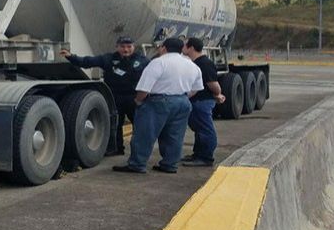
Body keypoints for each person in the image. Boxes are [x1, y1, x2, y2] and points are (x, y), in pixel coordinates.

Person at [113, 37, 202, 174]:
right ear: (181, 49)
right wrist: (180, 97)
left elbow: (144, 88)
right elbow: (196, 88)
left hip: (158, 102)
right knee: (175, 136)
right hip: (182, 101)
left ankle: (137, 164)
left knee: (145, 134)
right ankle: (170, 165)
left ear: (164, 48)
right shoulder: (192, 65)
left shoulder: (158, 63)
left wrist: (138, 101)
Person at [59, 36, 149, 156]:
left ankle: (140, 152)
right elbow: (87, 62)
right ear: (117, 47)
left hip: (134, 98)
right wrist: (71, 57)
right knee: (115, 124)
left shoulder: (142, 61)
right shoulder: (108, 59)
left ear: (134, 47)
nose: (126, 49)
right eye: (122, 46)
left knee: (140, 125)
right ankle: (116, 148)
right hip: (115, 97)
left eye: (129, 46)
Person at [181, 37, 226, 167]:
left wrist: (217, 94)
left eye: (184, 45)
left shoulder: (204, 64)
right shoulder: (196, 63)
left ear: (191, 48)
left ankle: (206, 157)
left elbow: (214, 84)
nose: (182, 48)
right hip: (197, 101)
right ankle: (198, 154)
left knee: (205, 129)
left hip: (202, 101)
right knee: (199, 129)